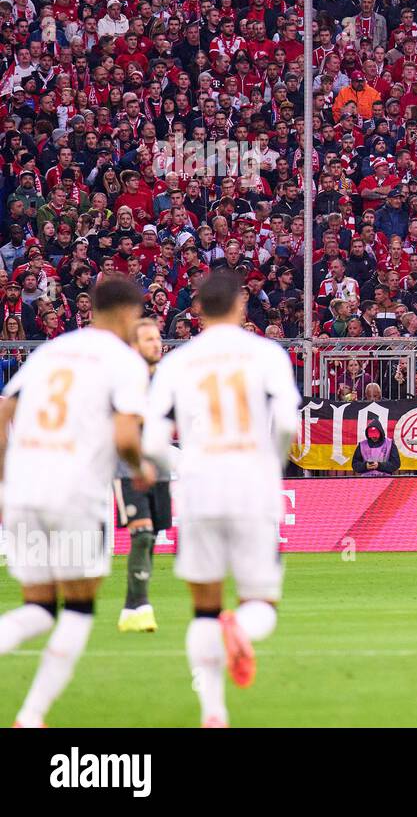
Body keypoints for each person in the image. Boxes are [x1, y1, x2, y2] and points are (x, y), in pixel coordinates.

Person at [143, 270, 301, 728]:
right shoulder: (266, 354)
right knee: (261, 604)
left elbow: (153, 441)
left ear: (197, 311)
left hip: (198, 488)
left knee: (204, 608)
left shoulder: (178, 362)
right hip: (252, 484)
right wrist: (269, 465)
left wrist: (185, 464)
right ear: (240, 305)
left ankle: (213, 711)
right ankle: (243, 627)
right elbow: (288, 423)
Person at [0, 275, 153, 728]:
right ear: (127, 313)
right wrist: (140, 466)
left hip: (25, 490)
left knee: (37, 607)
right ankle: (31, 715)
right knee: (79, 608)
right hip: (75, 493)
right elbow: (126, 435)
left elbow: (4, 412)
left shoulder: (52, 351)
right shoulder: (124, 363)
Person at [116, 318, 174, 633]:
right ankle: (144, 609)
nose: (156, 344)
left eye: (157, 338)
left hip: (161, 470)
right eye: (148, 339)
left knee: (150, 540)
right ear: (134, 346)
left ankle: (129, 609)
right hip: (128, 468)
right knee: (142, 535)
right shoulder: (124, 381)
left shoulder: (166, 380)